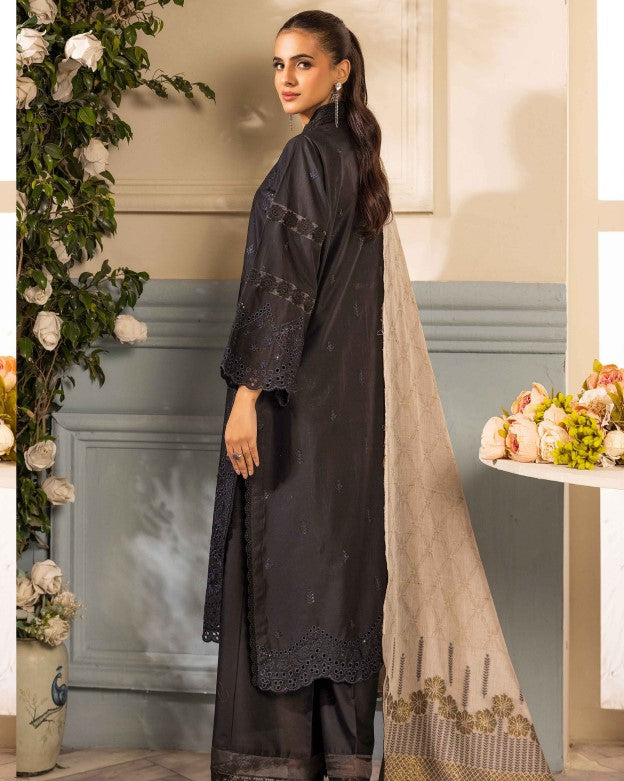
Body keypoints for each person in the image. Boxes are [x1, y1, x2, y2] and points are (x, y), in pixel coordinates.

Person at [203, 10, 555, 781]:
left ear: (341, 71)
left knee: (284, 584)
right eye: (277, 64)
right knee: (341, 588)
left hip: (293, 414)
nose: (286, 78)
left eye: (303, 62)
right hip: (357, 422)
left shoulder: (308, 155)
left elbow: (281, 289)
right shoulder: (360, 159)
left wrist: (246, 397)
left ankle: (280, 764)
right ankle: (345, 762)